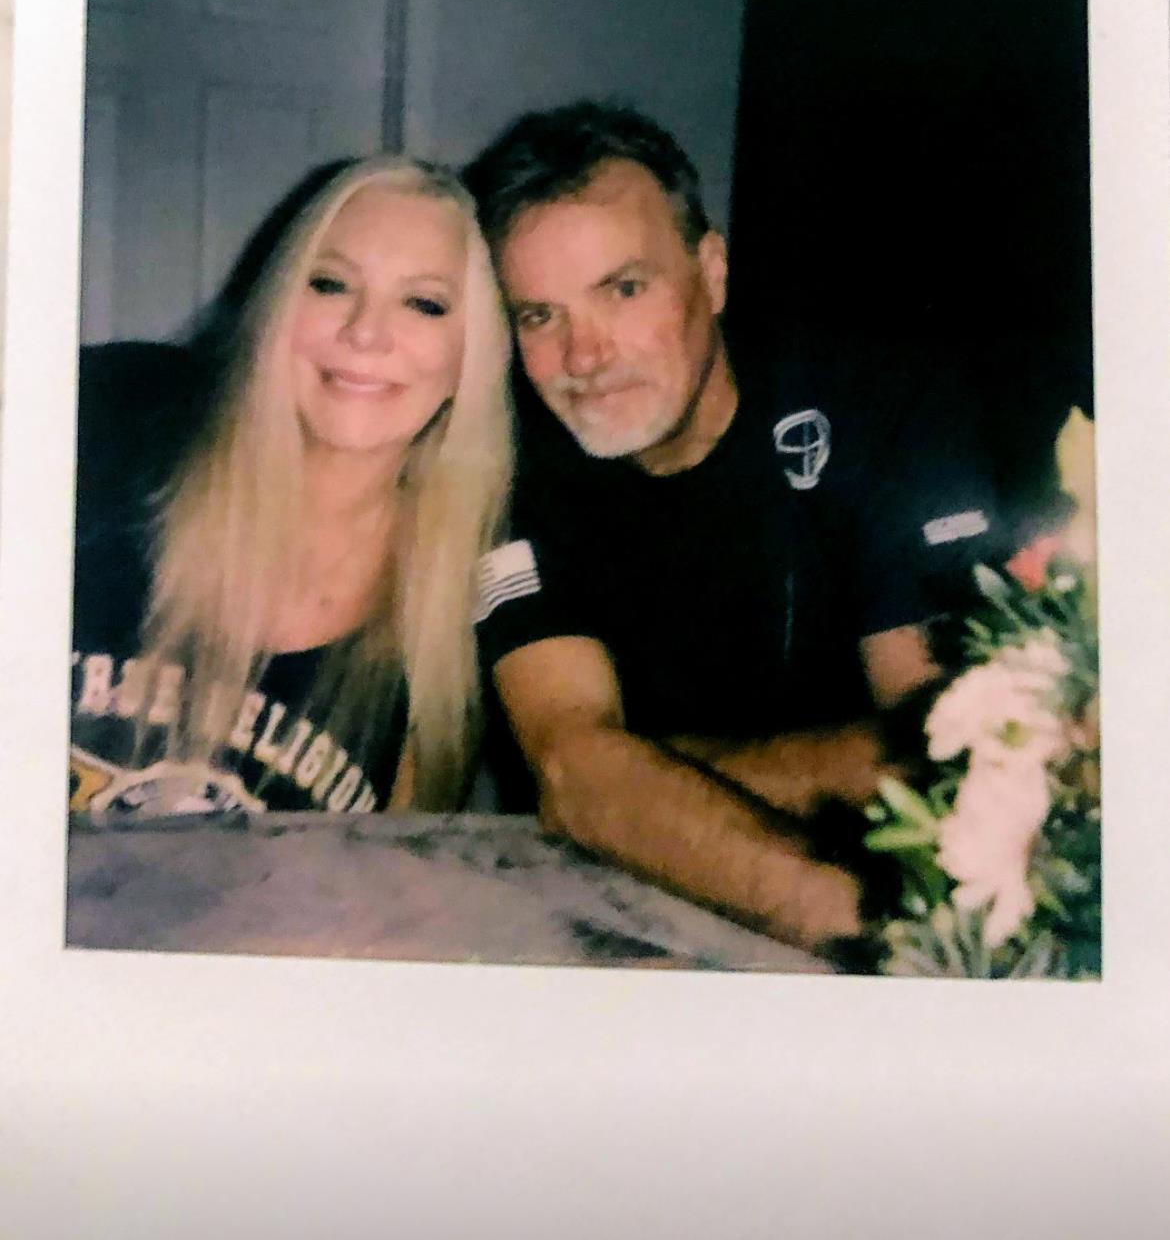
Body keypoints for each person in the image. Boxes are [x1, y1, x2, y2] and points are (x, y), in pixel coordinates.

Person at [464, 101, 1010, 953]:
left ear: (711, 273)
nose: (584, 357)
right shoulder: (504, 471)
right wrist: (887, 943)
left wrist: (645, 780)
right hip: (627, 912)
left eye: (624, 289)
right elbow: (573, 770)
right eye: (540, 315)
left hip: (887, 874)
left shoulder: (879, 408)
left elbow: (949, 751)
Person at [70, 156, 513, 821]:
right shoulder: (107, 424)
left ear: (471, 357)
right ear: (274, 307)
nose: (366, 332)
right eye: (330, 284)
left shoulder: (471, 608)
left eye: (424, 303)